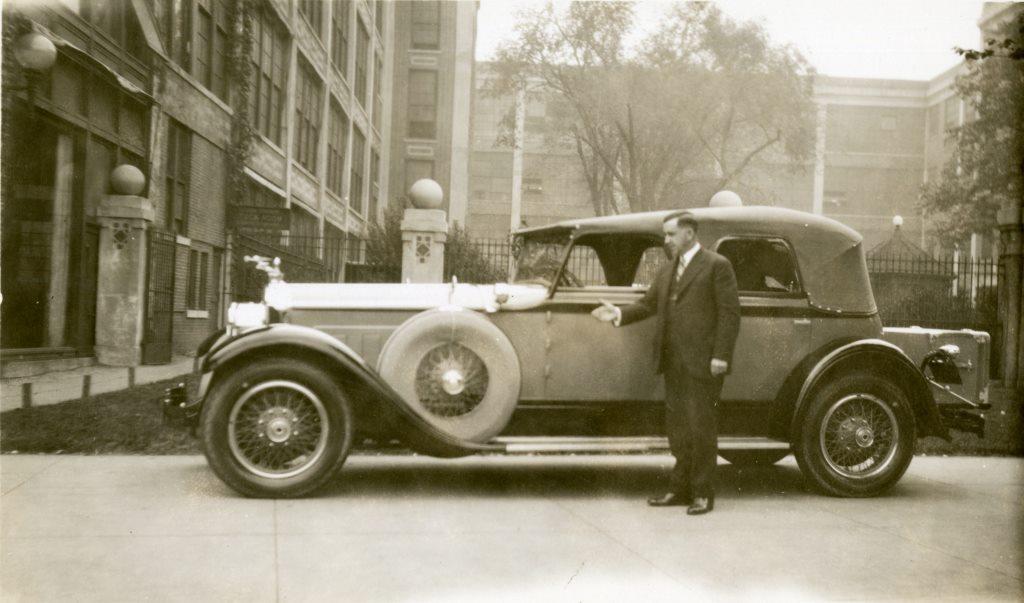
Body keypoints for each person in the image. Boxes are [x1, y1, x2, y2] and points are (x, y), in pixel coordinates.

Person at [591, 213, 740, 515]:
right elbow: (648, 304)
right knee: (678, 429)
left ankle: (702, 494)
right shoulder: (667, 269)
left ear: (689, 233)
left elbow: (730, 314)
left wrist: (721, 356)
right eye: (665, 235)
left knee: (701, 428)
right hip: (673, 363)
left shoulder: (716, 266)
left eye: (670, 234)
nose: (666, 240)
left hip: (703, 364)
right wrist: (618, 314)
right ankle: (680, 489)